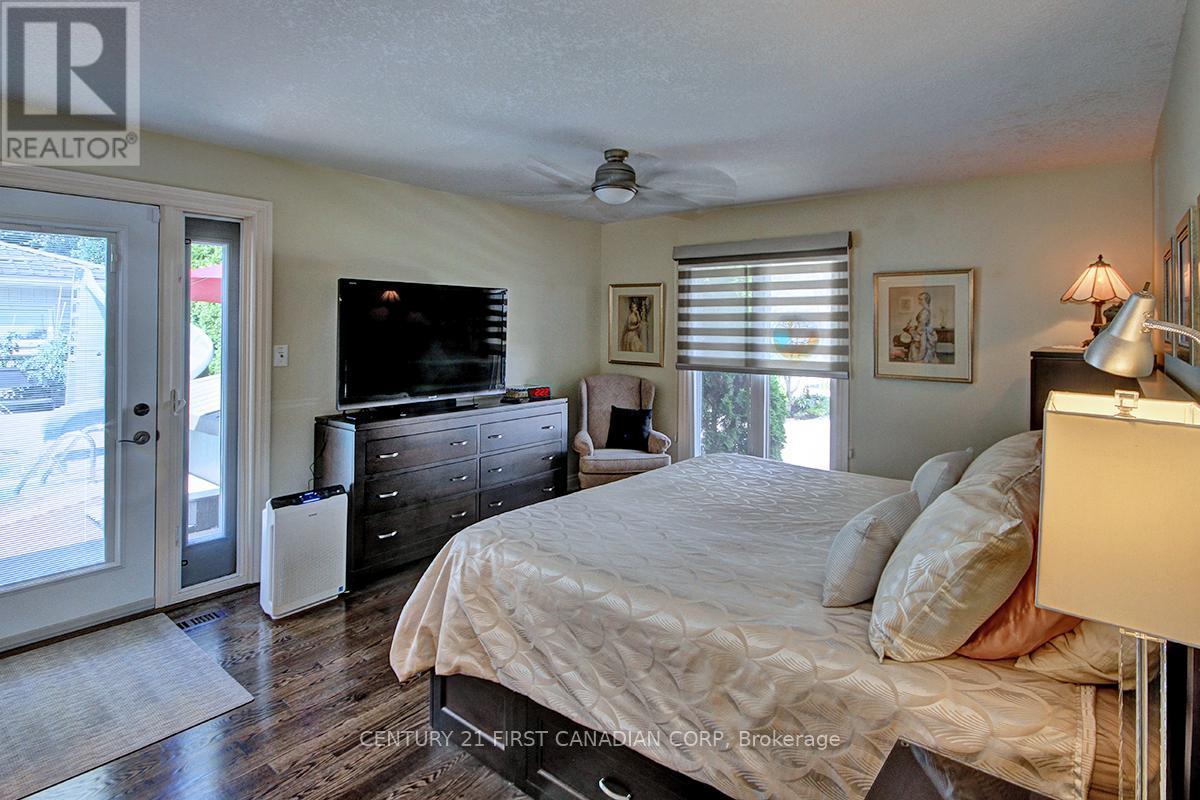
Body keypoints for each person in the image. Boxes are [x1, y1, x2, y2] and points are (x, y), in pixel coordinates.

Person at [903, 291, 939, 363]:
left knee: (919, 353)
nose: (919, 301)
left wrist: (915, 335)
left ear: (926, 300)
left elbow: (922, 326)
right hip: (924, 333)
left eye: (921, 299)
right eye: (918, 299)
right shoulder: (925, 310)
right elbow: (922, 324)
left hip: (923, 335)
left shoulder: (925, 311)